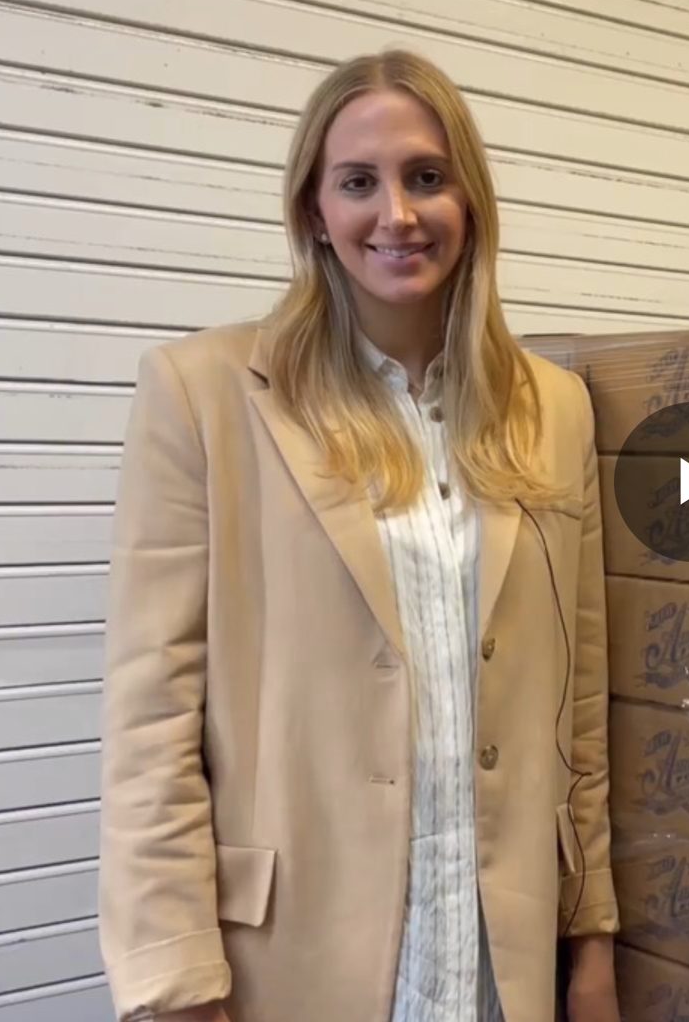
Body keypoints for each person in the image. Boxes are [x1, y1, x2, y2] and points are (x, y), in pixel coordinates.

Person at [97, 49, 619, 1022]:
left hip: (498, 960)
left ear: (471, 201)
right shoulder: (201, 396)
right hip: (292, 963)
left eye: (427, 177)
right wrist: (173, 979)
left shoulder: (555, 408)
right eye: (358, 183)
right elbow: (149, 723)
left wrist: (591, 942)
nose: (398, 215)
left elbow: (577, 706)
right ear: (313, 213)